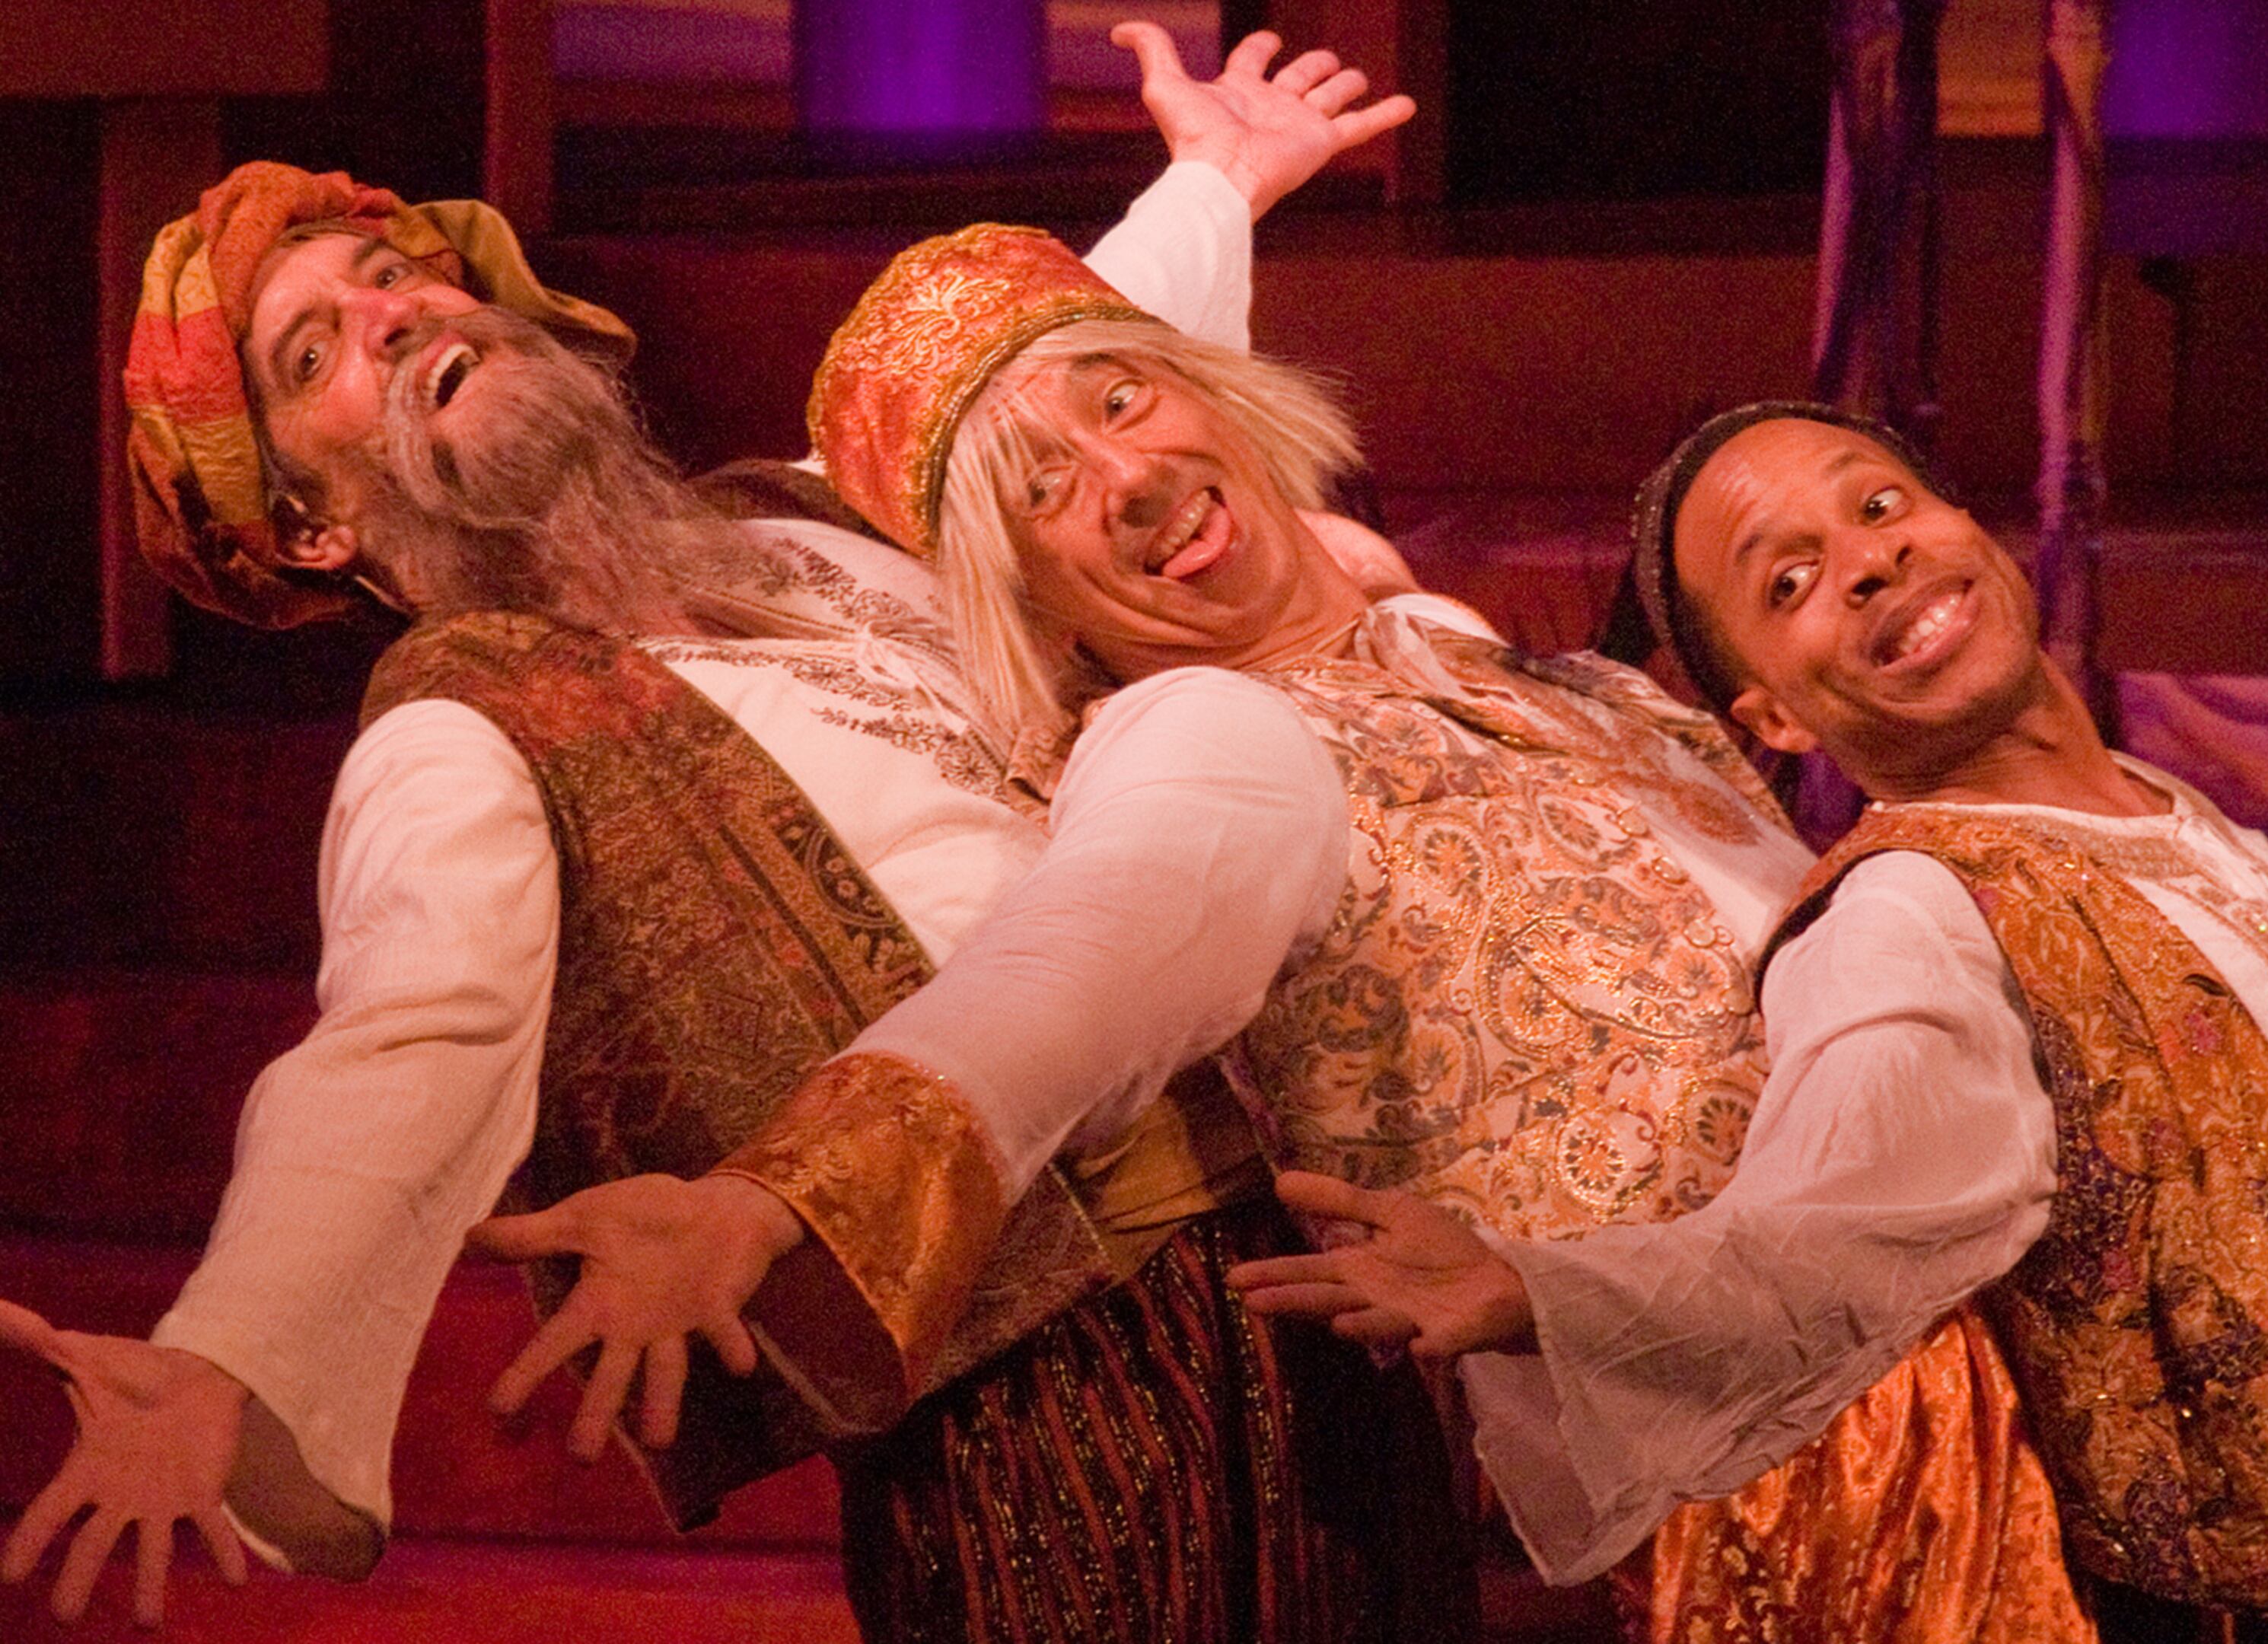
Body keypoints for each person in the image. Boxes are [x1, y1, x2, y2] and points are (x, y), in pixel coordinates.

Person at [474, 204, 2118, 1642]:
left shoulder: (1541, 671)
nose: (1124, 480)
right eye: (1045, 487)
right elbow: (1078, 970)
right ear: (1021, 589)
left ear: (1211, 391)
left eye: (1125, 401)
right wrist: (775, 1206)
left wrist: (1225, 187)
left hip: (2024, 1363)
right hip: (1788, 1475)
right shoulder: (1195, 738)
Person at [0, 28, 1462, 1642]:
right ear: (310, 523)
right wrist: (233, 1347)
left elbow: (1027, 395)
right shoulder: (463, 717)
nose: (392, 308)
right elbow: (412, 1032)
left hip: (1318, 1290)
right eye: (314, 354)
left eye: (392, 270)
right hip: (1037, 1380)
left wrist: (1218, 177)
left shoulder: (808, 524)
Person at [1230, 400, 2268, 1644]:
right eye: (1787, 582)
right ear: (1773, 716)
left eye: (1878, 505)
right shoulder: (1912, 912)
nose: (1866, 560)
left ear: (1966, 526)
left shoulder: (2179, 815)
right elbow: (1829, 1230)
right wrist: (1535, 1293)